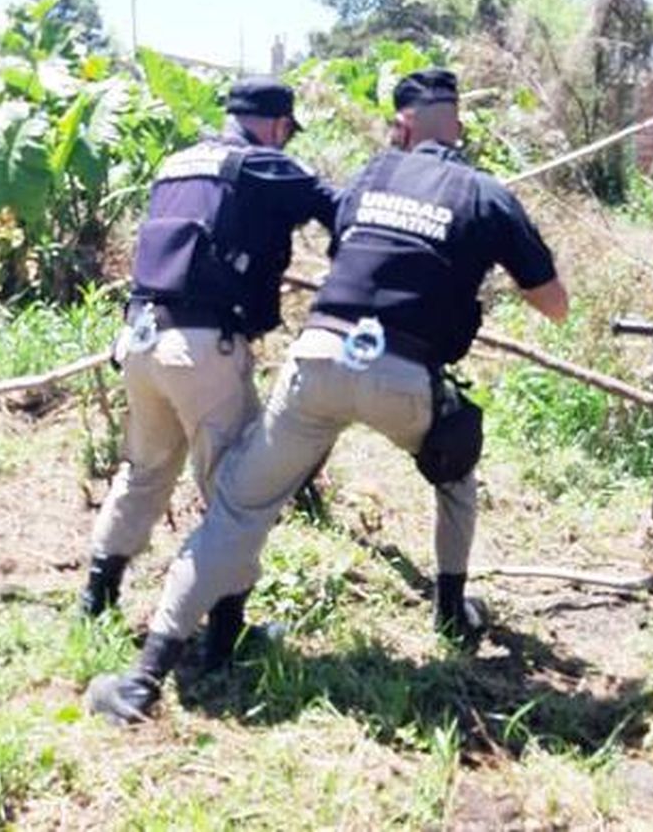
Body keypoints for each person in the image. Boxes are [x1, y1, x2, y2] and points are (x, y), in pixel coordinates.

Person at [86, 66, 570, 724]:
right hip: (392, 375)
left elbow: (352, 242)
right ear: (456, 124)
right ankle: (451, 610)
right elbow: (555, 305)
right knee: (455, 468)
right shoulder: (485, 193)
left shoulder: (359, 173)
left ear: (401, 127)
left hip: (296, 359)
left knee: (234, 505)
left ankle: (143, 676)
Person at [79, 76, 338, 647]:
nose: (286, 143)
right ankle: (225, 633)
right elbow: (331, 205)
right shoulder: (259, 164)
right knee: (236, 490)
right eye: (287, 132)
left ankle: (95, 603)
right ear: (274, 125)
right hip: (201, 348)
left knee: (144, 472)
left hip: (141, 339)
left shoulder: (177, 163)